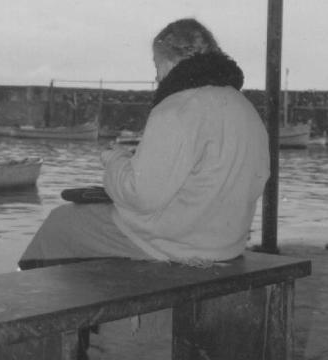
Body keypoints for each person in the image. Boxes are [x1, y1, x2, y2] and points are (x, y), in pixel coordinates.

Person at [18, 18, 270, 269]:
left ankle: (28, 303)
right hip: (227, 243)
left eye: (156, 64)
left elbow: (141, 196)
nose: (157, 75)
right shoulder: (244, 107)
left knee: (61, 223)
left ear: (170, 62)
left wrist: (115, 159)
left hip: (173, 244)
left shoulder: (177, 108)